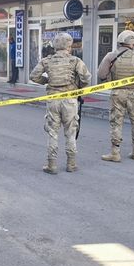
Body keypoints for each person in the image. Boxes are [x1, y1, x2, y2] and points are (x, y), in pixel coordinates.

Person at [31, 32, 91, 173]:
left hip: (53, 100)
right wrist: (79, 88)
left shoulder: (47, 61)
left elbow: (34, 76)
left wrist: (47, 81)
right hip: (70, 100)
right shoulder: (75, 61)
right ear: (69, 46)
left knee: (53, 133)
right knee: (70, 133)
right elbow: (86, 78)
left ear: (55, 46)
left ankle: (51, 165)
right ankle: (71, 164)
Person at [97, 30, 134, 162]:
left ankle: (115, 153)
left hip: (117, 93)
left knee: (116, 123)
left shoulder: (111, 55)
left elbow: (101, 75)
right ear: (132, 43)